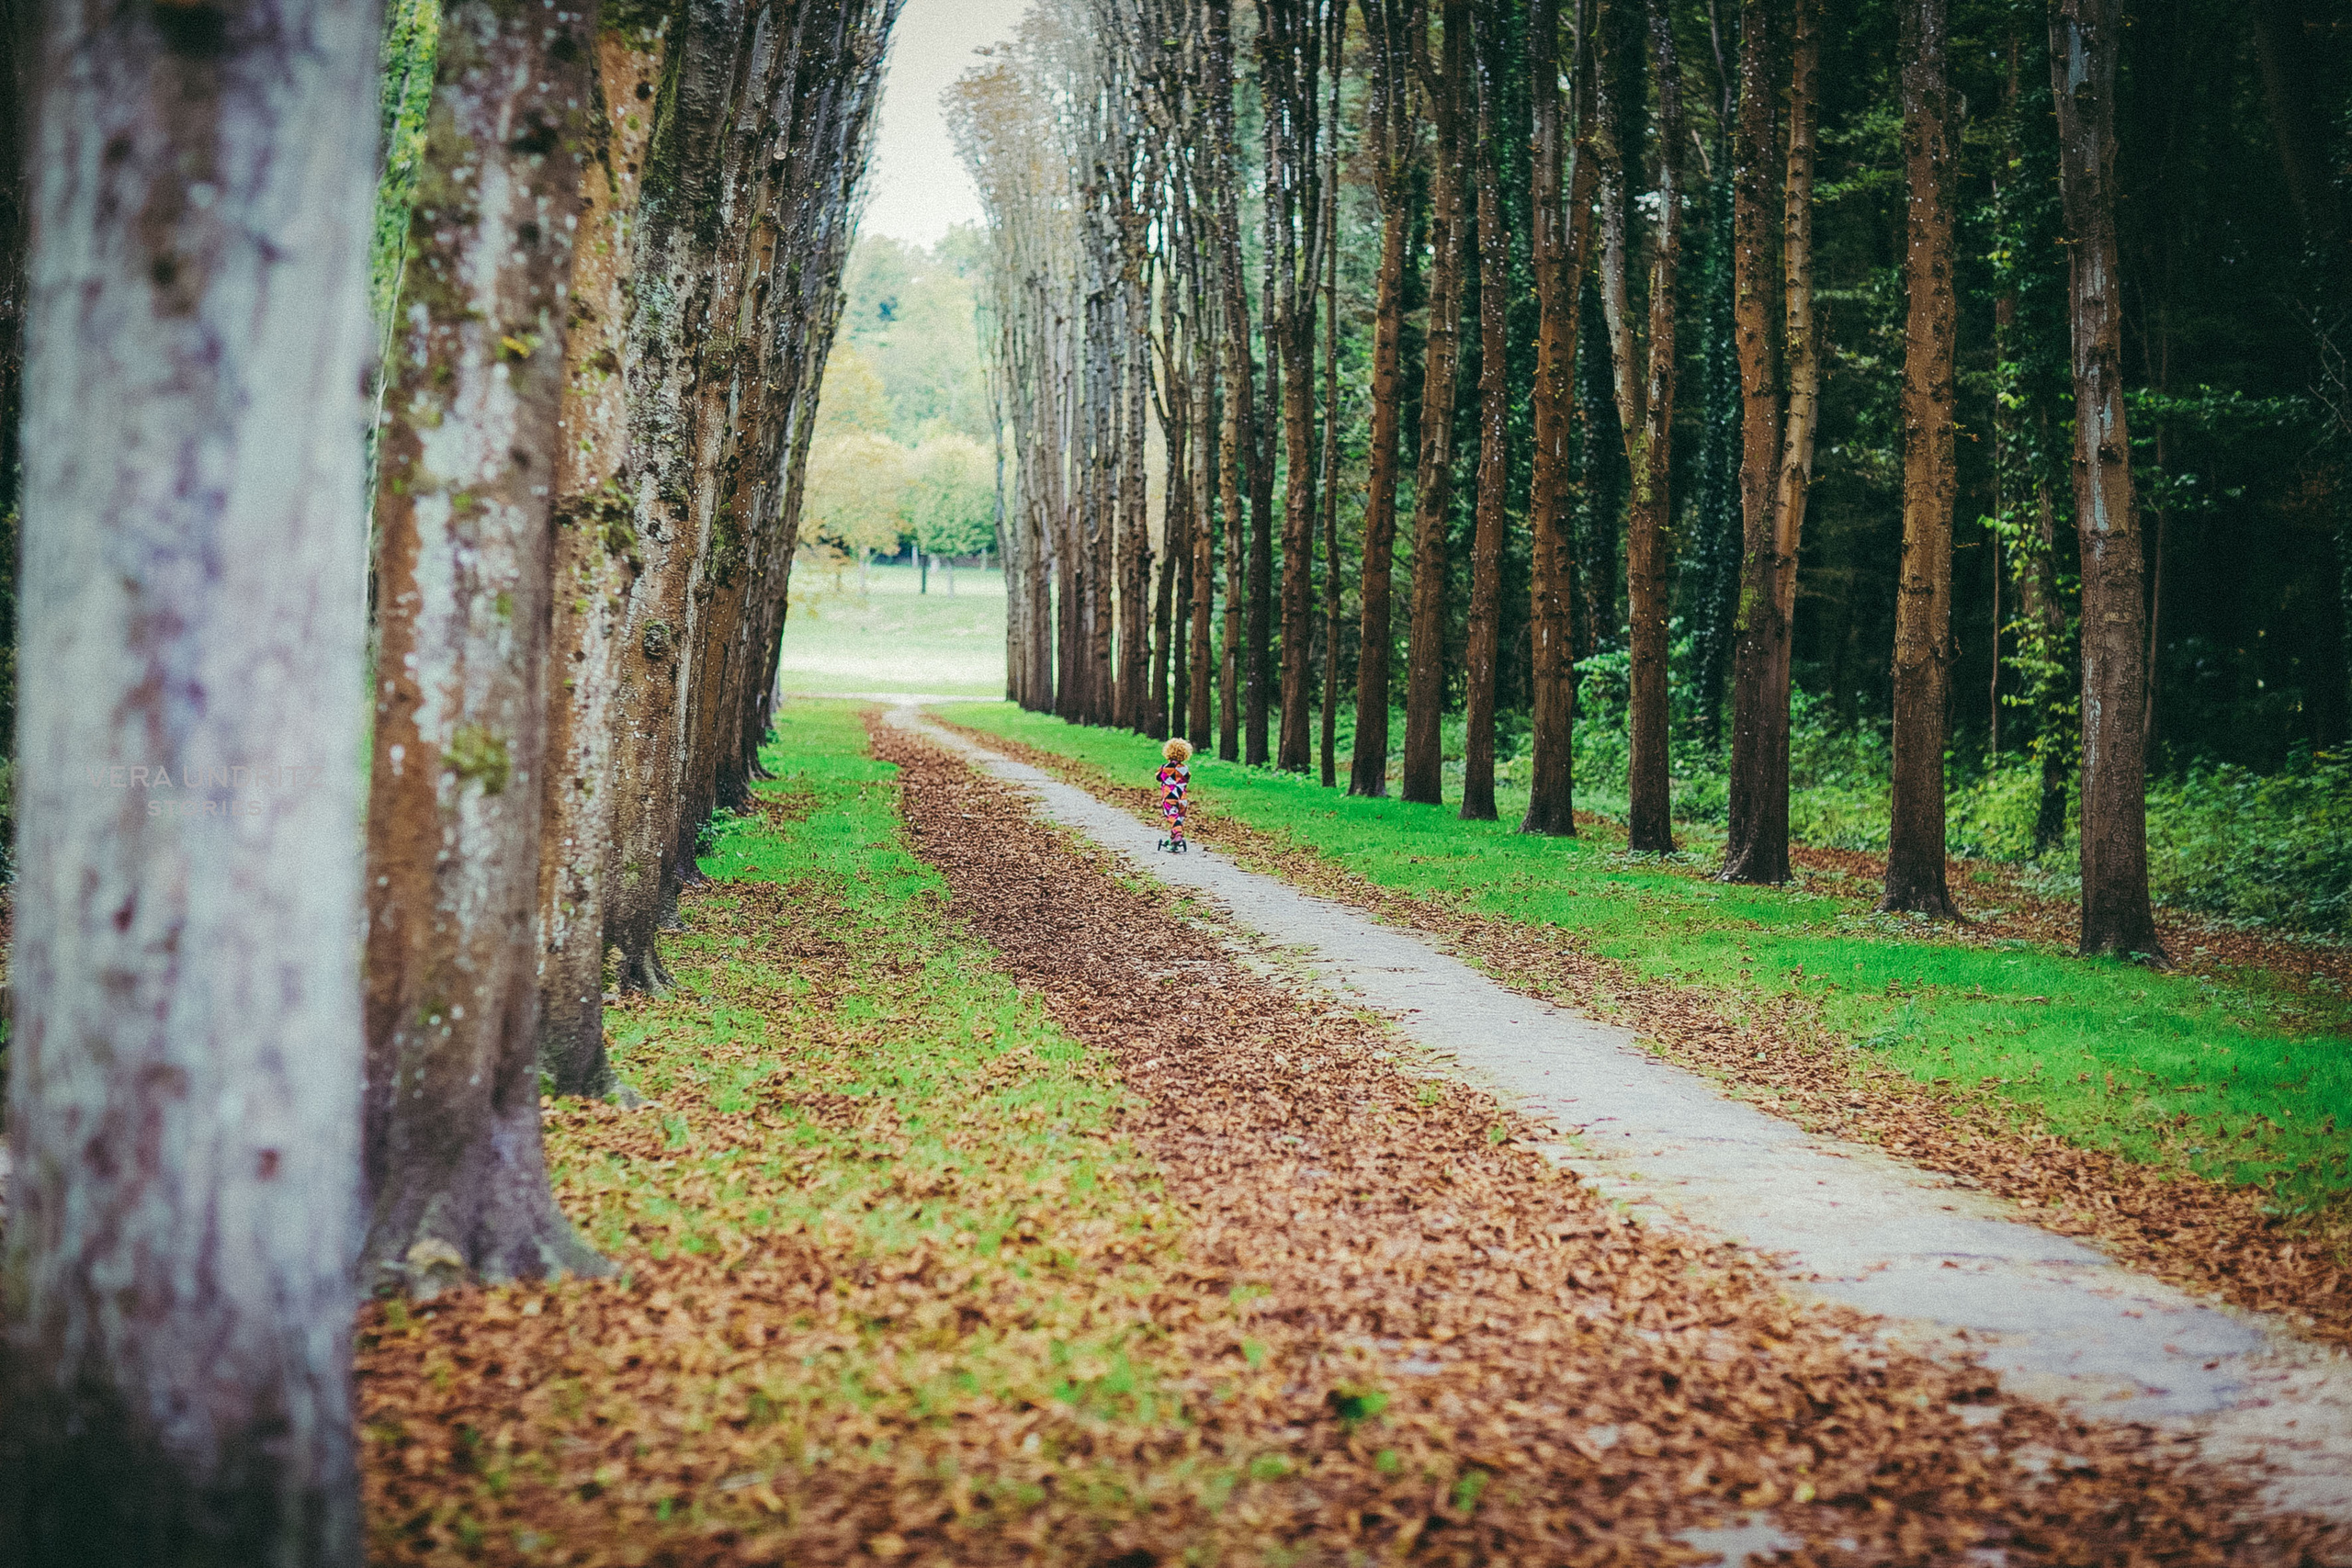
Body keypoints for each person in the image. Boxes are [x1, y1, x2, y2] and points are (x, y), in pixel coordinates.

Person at [1156, 738, 1193, 853]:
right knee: (1179, 819)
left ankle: (1177, 834)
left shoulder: (1165, 768)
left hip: (1170, 797)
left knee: (1172, 817)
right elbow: (1187, 778)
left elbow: (1158, 777)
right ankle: (1173, 839)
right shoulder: (1185, 769)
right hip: (1182, 798)